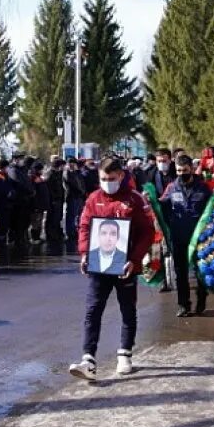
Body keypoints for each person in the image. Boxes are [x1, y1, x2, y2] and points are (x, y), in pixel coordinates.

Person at [68, 156, 156, 381]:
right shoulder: (93, 199)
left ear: (121, 176)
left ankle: (125, 353)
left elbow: (147, 232)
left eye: (111, 178)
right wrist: (85, 253)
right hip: (99, 265)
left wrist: (135, 259)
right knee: (93, 310)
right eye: (103, 178)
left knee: (127, 309)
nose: (108, 182)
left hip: (126, 265)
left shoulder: (134, 200)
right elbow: (85, 227)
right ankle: (88, 359)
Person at [159, 154, 211, 317]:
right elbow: (162, 205)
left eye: (185, 170)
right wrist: (152, 201)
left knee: (200, 271)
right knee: (180, 272)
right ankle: (183, 305)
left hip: (199, 237)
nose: (182, 173)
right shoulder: (171, 187)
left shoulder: (204, 188)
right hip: (178, 236)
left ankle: (201, 300)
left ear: (192, 169)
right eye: (179, 170)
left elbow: (213, 209)